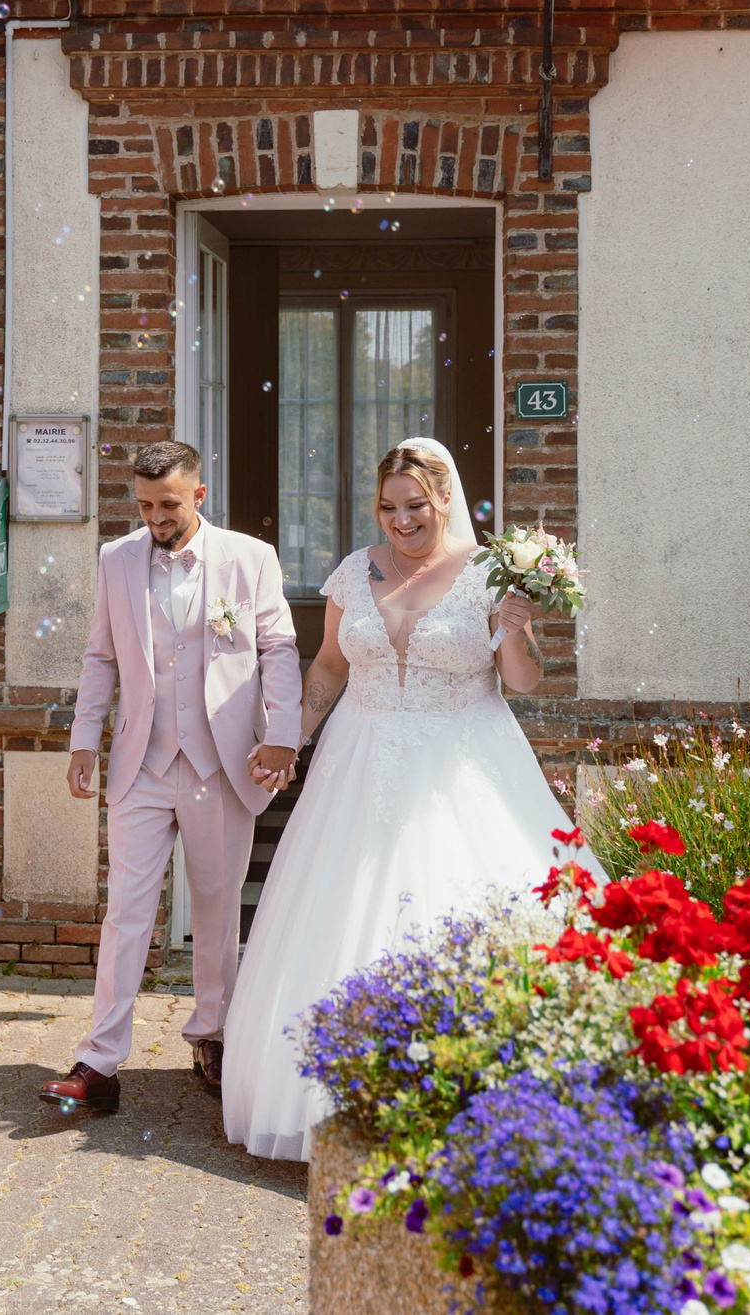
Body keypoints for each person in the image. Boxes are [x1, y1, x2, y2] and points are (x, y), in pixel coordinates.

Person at [221, 437, 586, 1161]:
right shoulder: (355, 572)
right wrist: (290, 737)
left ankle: (467, 1099)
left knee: (458, 912)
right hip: (359, 761)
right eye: (388, 507)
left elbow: (524, 680)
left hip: (463, 765)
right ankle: (333, 1096)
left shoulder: (488, 572)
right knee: (343, 914)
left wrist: (513, 626)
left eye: (415, 505)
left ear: (444, 497)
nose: (401, 520)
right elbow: (328, 663)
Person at [44, 440, 300, 1121]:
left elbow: (278, 647)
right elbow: (100, 657)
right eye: (146, 505)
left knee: (217, 911)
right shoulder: (117, 559)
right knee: (126, 910)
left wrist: (282, 733)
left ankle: (213, 1035)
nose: (156, 517)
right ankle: (98, 1061)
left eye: (169, 504)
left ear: (200, 496)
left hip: (222, 761)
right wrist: (82, 740)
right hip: (143, 763)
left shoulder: (251, 558)